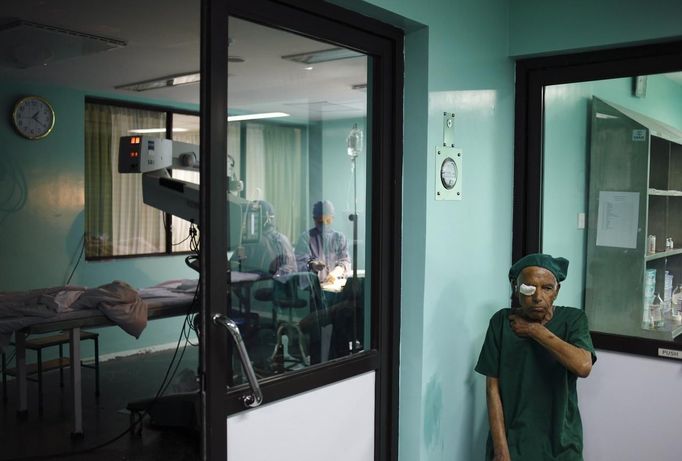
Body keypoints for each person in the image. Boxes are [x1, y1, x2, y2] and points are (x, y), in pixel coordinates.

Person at [475, 253, 596, 461]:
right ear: (516, 288)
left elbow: (583, 366)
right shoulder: (501, 323)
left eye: (547, 288)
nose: (537, 297)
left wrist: (535, 331)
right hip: (513, 443)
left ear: (556, 291)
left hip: (562, 444)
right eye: (528, 288)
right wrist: (501, 450)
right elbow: (492, 389)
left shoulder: (573, 320)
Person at [231, 200, 295, 280]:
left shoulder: (251, 243)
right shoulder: (285, 239)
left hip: (259, 290)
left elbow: (233, 268)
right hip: (282, 290)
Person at [294, 200, 351, 285]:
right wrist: (312, 265)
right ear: (314, 219)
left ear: (333, 218)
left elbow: (345, 260)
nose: (324, 225)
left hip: (334, 285)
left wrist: (337, 271)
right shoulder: (306, 238)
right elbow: (299, 262)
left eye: (327, 221)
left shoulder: (339, 238)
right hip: (313, 287)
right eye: (320, 222)